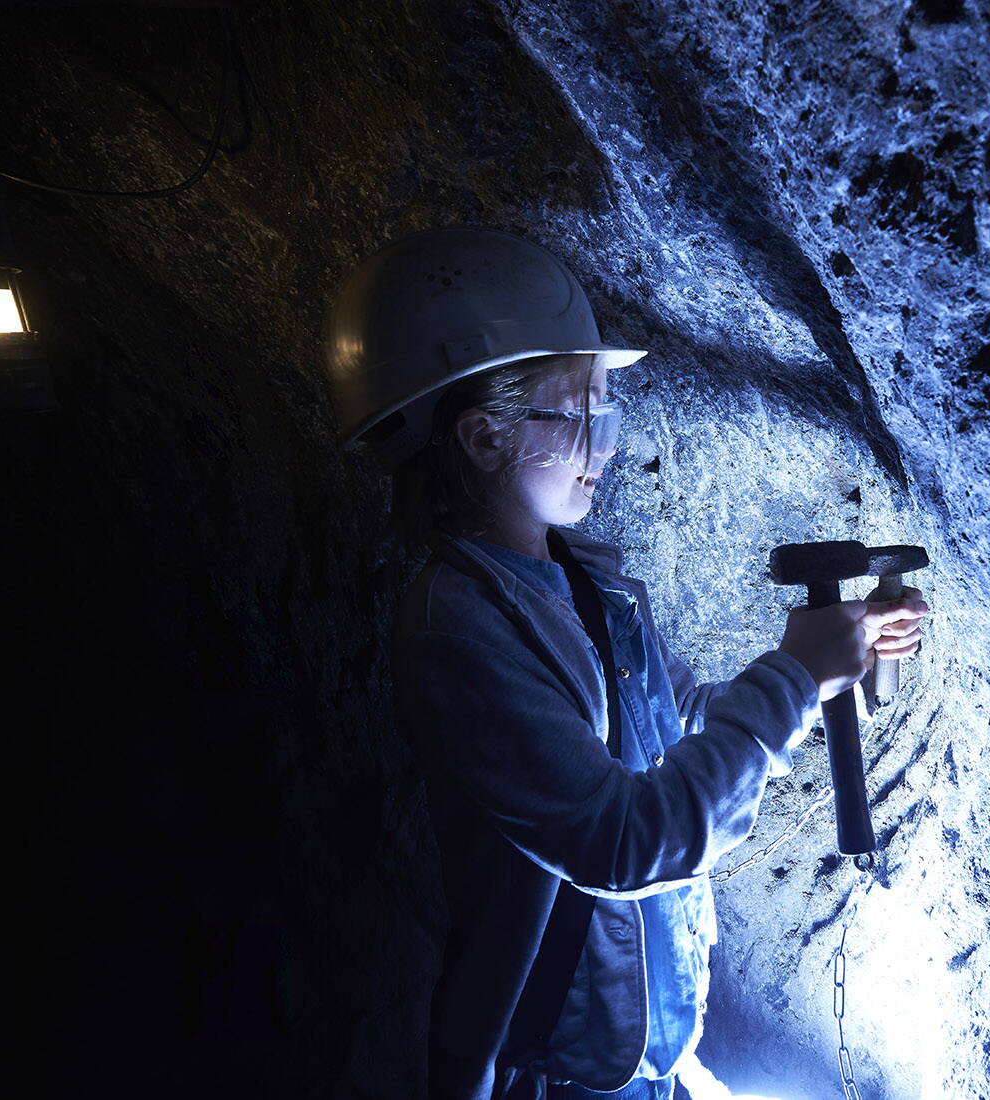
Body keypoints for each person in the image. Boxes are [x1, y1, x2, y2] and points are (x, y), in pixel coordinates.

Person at [326, 228, 930, 1100]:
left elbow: (689, 723)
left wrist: (844, 655)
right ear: (485, 437)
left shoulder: (588, 579)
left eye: (609, 410)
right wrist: (794, 676)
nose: (606, 443)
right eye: (583, 412)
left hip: (650, 1042)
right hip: (559, 1069)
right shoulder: (453, 631)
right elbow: (625, 840)